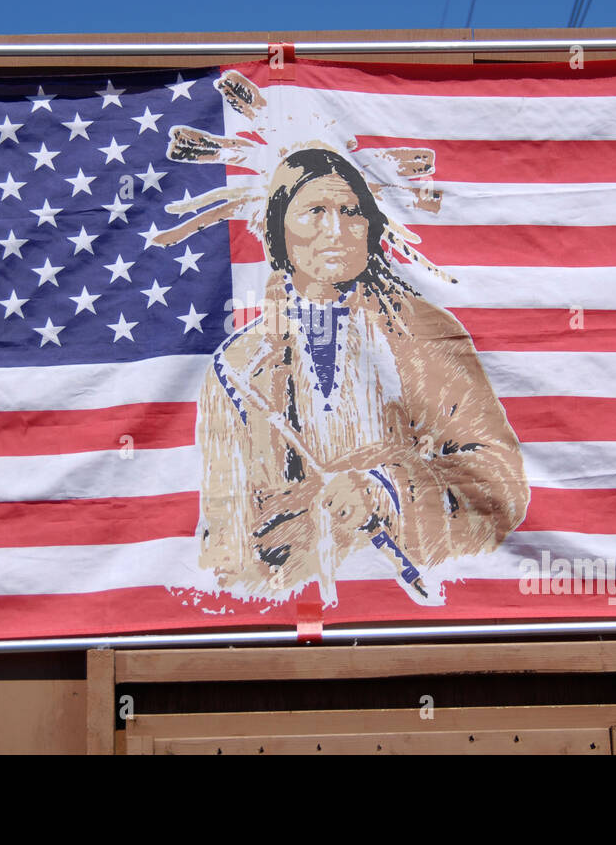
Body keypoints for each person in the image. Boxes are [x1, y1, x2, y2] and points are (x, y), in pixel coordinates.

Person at [194, 147, 529, 607]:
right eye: (315, 211)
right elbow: (224, 541)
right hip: (292, 615)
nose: (337, 230)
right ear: (279, 231)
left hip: (417, 604)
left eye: (351, 212)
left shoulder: (426, 334)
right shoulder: (239, 367)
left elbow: (501, 480)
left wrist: (386, 489)